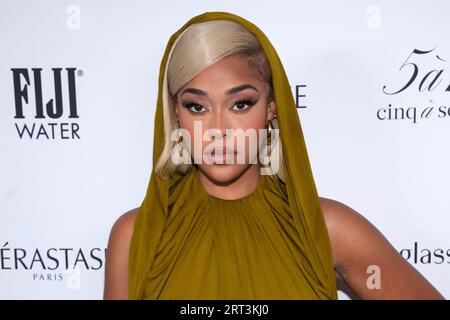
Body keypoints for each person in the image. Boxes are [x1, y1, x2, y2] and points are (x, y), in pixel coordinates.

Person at [103, 11, 444, 300]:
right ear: (176, 113)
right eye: (197, 106)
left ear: (270, 108)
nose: (218, 129)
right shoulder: (135, 236)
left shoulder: (327, 228)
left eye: (241, 104)